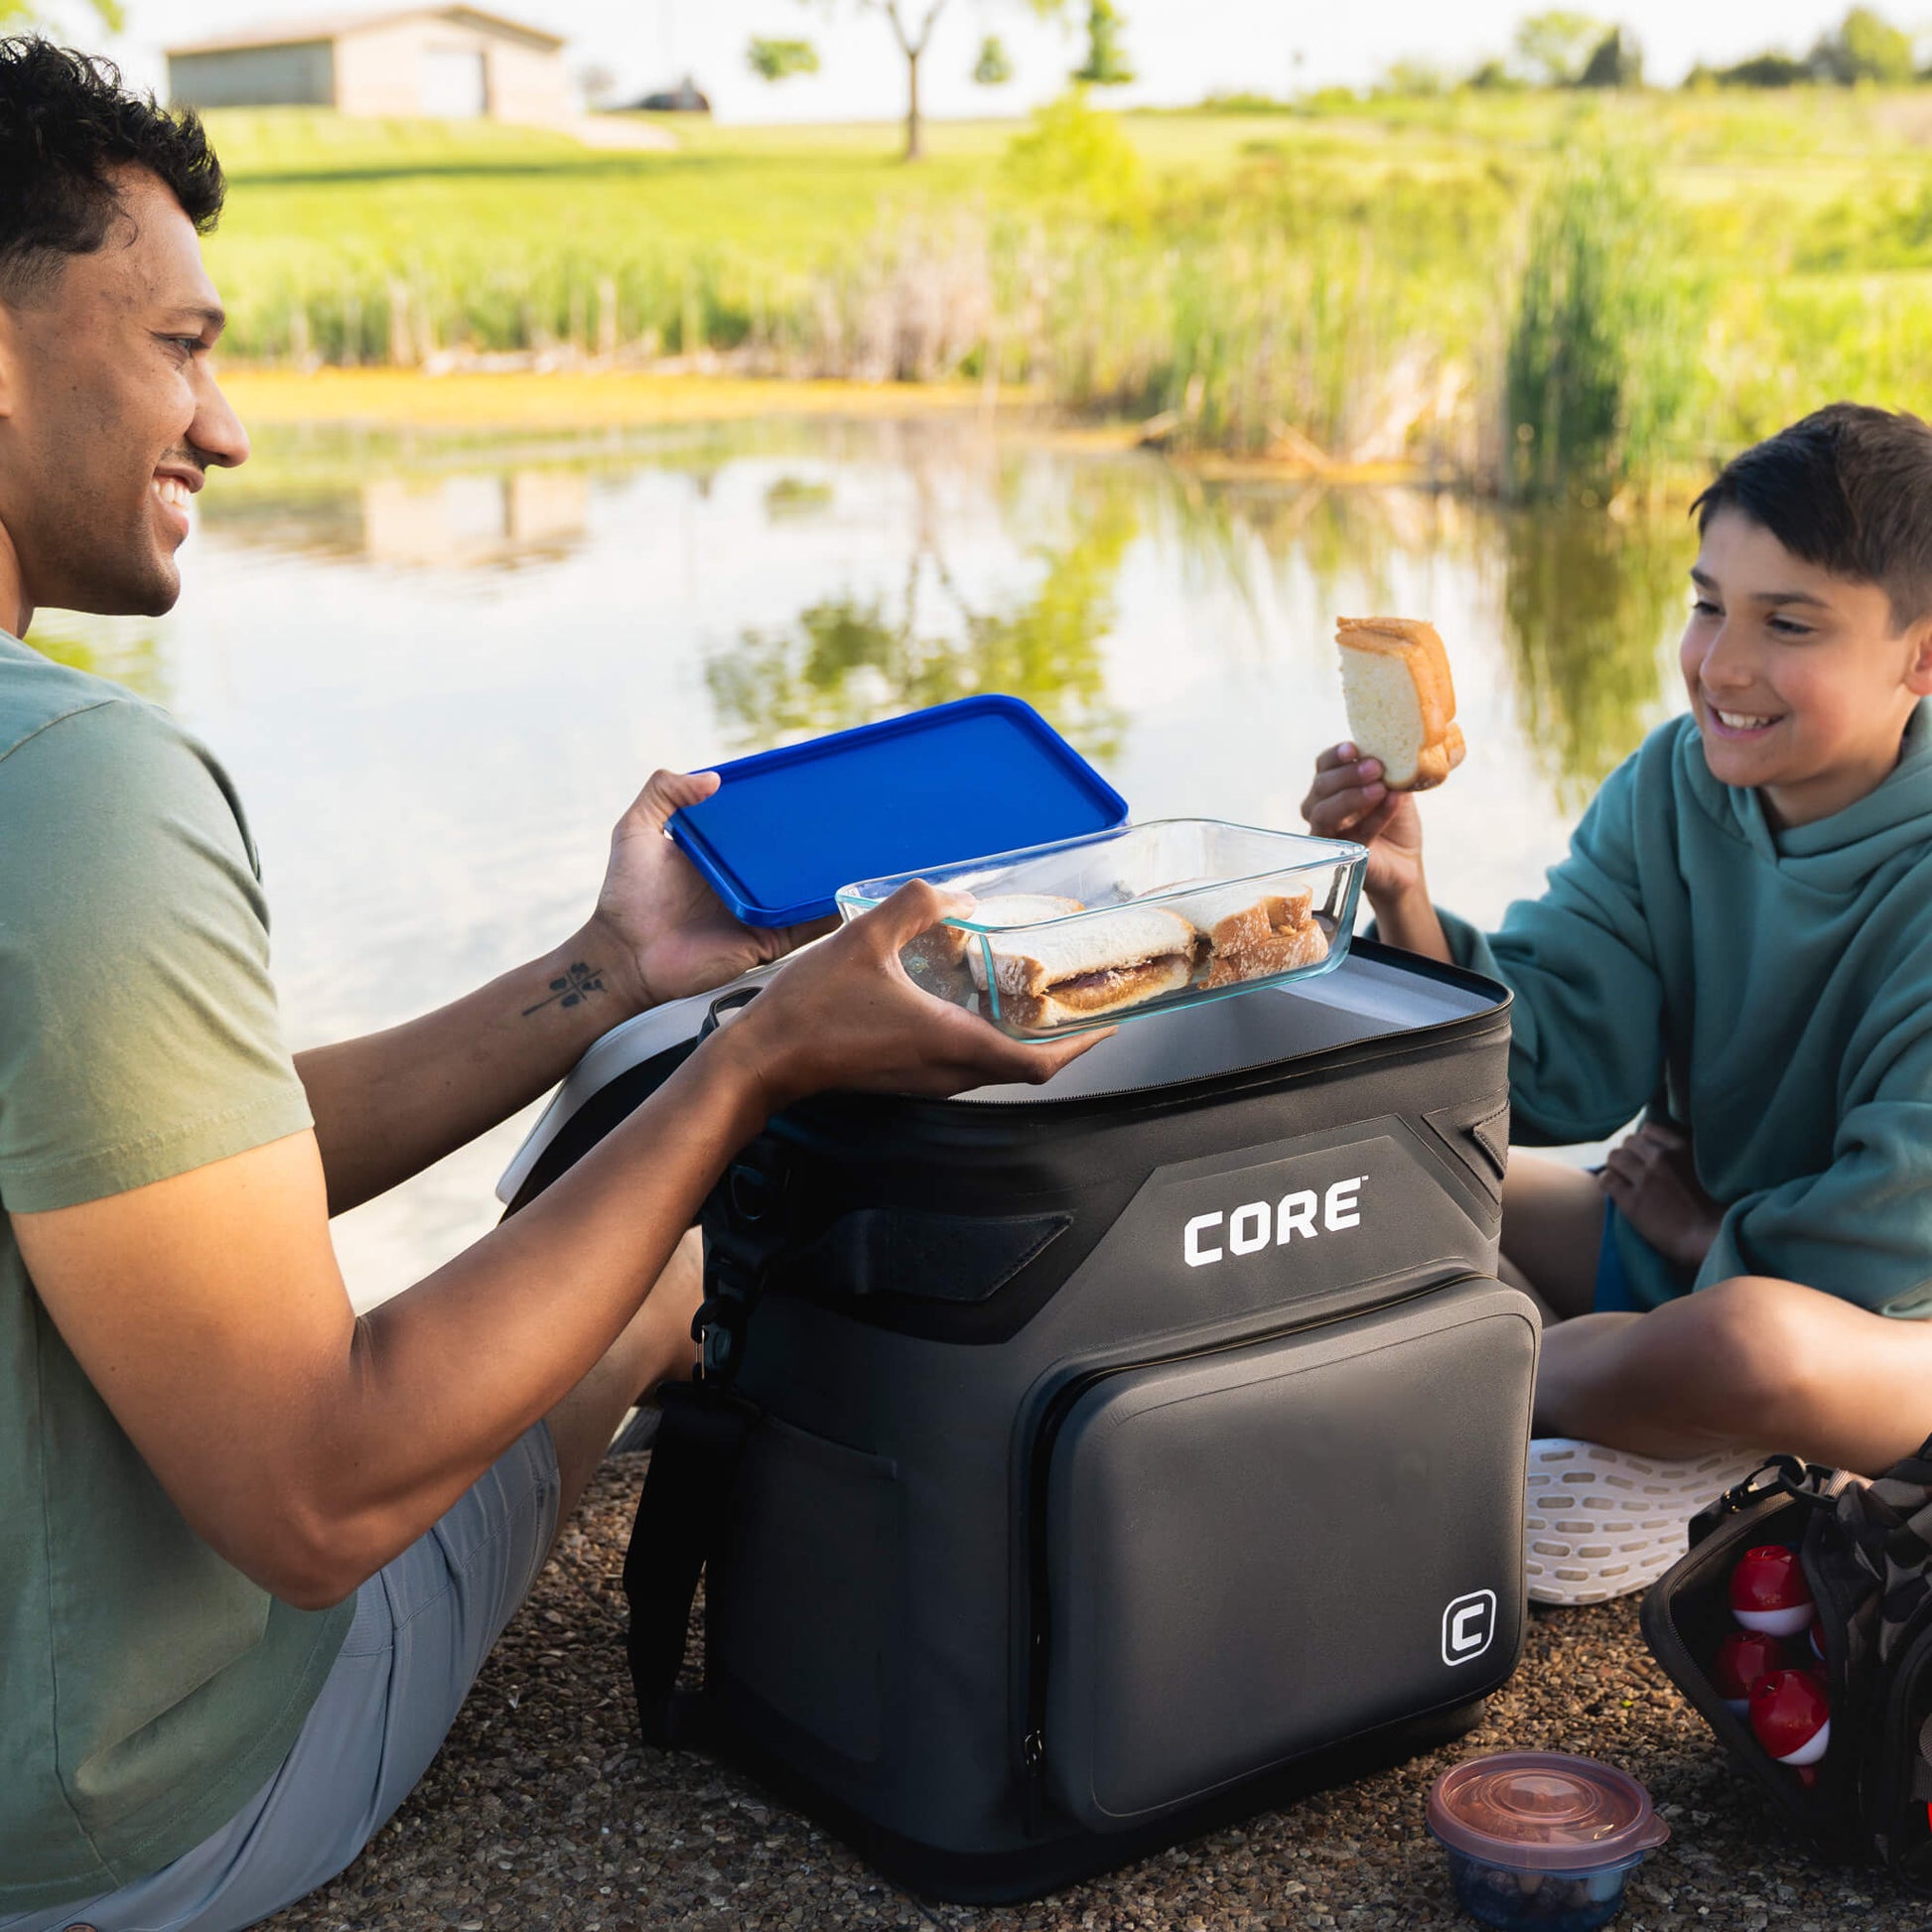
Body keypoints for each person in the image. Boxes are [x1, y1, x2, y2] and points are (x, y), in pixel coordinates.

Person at [0, 41, 1098, 1930]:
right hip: (112, 1818)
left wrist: (610, 975)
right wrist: (744, 1069)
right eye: (180, 347)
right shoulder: (78, 788)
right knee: (650, 1266)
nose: (225, 427)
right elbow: (317, 1498)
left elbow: (146, 1151)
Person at [1305, 402, 1932, 1603]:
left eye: (1786, 623)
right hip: (1679, 1242)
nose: (1721, 665)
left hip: (1880, 1330)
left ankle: (1464, 1391)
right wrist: (1401, 894)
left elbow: (1898, 1222)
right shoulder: (1668, 784)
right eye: (1706, 605)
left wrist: (1704, 1237)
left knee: (1748, 1341)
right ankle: (1635, 1416)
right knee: (1391, 1169)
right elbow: (1561, 1068)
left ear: (1920, 656)